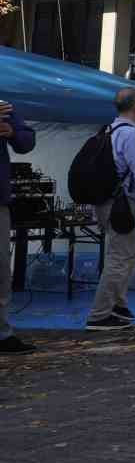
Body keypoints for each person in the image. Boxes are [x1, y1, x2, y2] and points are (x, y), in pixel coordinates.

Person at [86, 88, 135, 331]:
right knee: (120, 256)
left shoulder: (108, 130)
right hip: (122, 203)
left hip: (106, 201)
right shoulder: (131, 134)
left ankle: (117, 303)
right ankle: (100, 314)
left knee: (132, 249)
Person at [1, 98, 38, 354]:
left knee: (1, 269)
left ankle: (1, 334)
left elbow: (27, 141)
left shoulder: (3, 107)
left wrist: (12, 131)